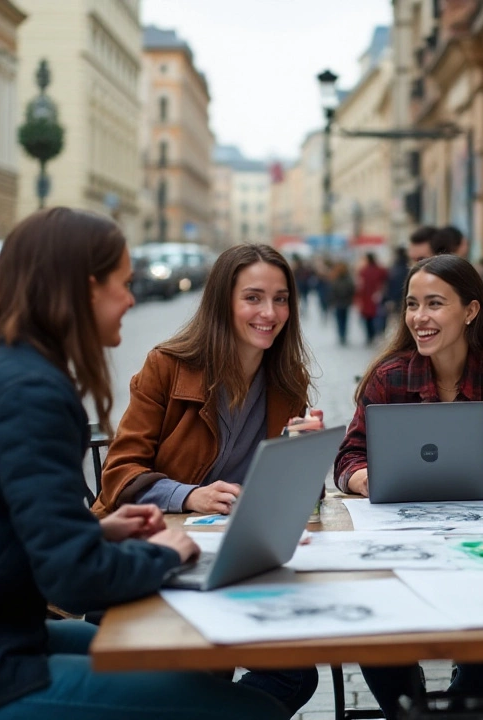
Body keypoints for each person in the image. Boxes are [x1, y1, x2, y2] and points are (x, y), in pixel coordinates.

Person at [0, 208, 288, 719]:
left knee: (190, 672)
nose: (132, 299)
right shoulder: (27, 391)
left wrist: (100, 533)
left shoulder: (8, 371)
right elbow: (74, 579)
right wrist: (169, 554)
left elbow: (3, 530)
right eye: (124, 284)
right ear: (86, 289)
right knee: (246, 711)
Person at [90, 243, 322, 712]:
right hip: (153, 557)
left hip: (236, 560)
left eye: (281, 299)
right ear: (223, 302)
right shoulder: (168, 366)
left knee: (297, 675)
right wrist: (189, 495)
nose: (269, 312)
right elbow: (118, 474)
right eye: (253, 297)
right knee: (209, 672)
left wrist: (303, 456)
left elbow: (300, 500)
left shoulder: (287, 380)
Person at [334, 254, 483, 719]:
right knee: (371, 606)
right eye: (413, 304)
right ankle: (404, 709)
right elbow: (347, 457)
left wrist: (460, 466)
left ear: (471, 311)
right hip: (401, 544)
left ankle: (459, 706)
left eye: (435, 303)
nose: (419, 317)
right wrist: (364, 476)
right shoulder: (390, 376)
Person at [355, 252, 390, 344]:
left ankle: (370, 336)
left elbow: (360, 286)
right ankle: (376, 333)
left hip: (366, 298)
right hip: (376, 297)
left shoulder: (363, 271)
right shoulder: (380, 270)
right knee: (378, 316)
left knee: (368, 318)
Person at [329, 259, 356, 345]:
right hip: (345, 301)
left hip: (339, 302)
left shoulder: (335, 278)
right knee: (344, 319)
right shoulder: (348, 278)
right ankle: (343, 335)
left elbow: (332, 290)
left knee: (340, 319)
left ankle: (341, 334)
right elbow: (352, 289)